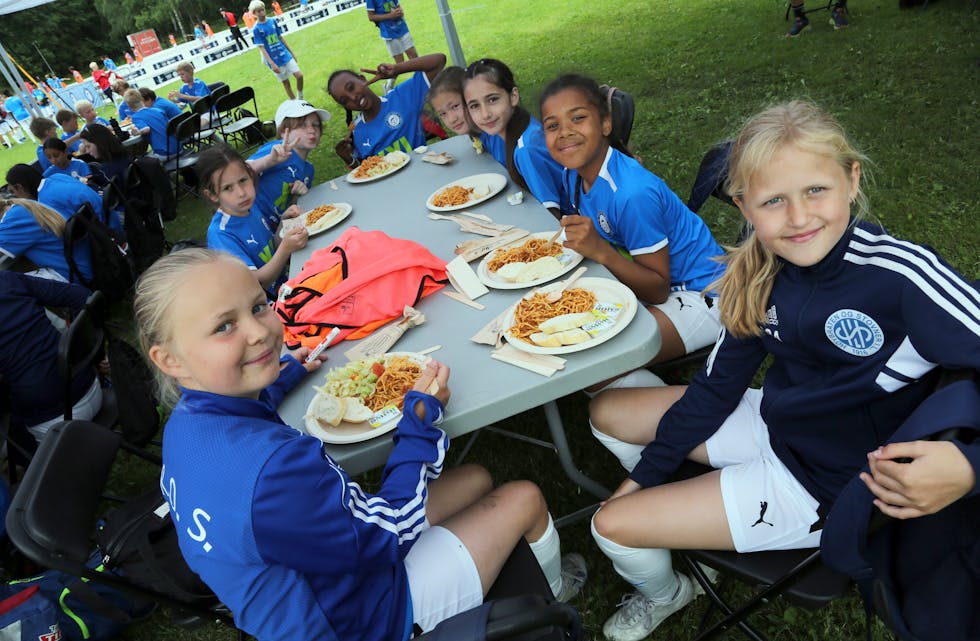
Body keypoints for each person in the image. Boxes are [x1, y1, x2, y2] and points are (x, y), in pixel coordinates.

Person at [585, 100, 980, 641]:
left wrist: (969, 466)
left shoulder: (900, 275)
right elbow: (716, 387)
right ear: (745, 206)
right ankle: (683, 499)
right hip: (781, 425)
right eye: (773, 201)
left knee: (608, 525)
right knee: (607, 411)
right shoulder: (758, 272)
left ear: (851, 179)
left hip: (832, 484)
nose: (798, 218)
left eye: (815, 190)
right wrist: (646, 475)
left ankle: (668, 592)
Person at [135, 247, 588, 641]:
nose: (258, 333)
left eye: (258, 306)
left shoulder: (185, 423)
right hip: (362, 620)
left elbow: (241, 411)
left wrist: (283, 371)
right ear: (169, 359)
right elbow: (390, 532)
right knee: (523, 497)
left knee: (475, 478)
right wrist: (420, 425)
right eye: (223, 327)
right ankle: (554, 595)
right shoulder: (275, 471)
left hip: (304, 597)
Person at [539, 74, 724, 366]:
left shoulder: (632, 195)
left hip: (703, 294)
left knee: (597, 361)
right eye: (552, 125)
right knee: (568, 330)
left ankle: (687, 405)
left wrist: (601, 251)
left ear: (605, 124)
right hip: (650, 284)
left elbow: (658, 289)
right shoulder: (572, 174)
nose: (564, 132)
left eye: (577, 118)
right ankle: (627, 393)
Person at [0, 272, 102, 443]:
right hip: (89, 384)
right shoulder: (7, 280)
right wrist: (86, 351)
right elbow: (82, 296)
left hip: (56, 425)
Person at [463, 58, 570, 219]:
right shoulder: (512, 128)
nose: (485, 114)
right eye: (475, 106)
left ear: (513, 96)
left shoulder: (526, 149)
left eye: (492, 99)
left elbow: (551, 215)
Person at [200, 144, 308, 297]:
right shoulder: (221, 234)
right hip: (270, 305)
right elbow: (257, 283)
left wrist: (284, 222)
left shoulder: (249, 208)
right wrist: (286, 248)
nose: (241, 193)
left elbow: (271, 249)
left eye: (243, 180)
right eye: (228, 188)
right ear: (212, 195)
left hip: (288, 284)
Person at [328, 52, 445, 165]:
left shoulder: (401, 97)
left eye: (351, 87)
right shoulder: (357, 132)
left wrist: (397, 69)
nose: (353, 97)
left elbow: (439, 60)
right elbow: (366, 171)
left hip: (424, 170)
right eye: (345, 101)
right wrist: (350, 160)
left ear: (362, 79)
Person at [2, 165, 94, 283]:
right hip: (91, 261)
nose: (14, 196)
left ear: (19, 187)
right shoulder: (53, 182)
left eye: (12, 191)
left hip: (75, 275)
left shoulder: (17, 214)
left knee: (9, 281)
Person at [247, 99, 329, 228]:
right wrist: (269, 160)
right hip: (252, 223)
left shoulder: (308, 170)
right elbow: (238, 172)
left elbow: (293, 213)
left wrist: (297, 197)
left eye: (316, 125)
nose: (312, 130)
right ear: (284, 132)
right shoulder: (276, 149)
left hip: (278, 231)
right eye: (302, 125)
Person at [249, 0, 304, 100]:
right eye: (259, 11)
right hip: (274, 60)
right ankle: (295, 103)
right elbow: (262, 48)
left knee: (299, 75)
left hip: (285, 54)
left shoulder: (272, 21)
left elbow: (280, 37)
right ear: (254, 14)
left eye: (263, 10)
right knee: (286, 83)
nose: (262, 13)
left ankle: (300, 98)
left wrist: (292, 53)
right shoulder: (256, 29)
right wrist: (272, 63)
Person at [366, 0, 418, 77]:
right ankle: (388, 85)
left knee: (414, 57)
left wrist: (400, 12)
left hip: (402, 28)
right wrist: (390, 15)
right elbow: (371, 17)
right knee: (399, 64)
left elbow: (398, 6)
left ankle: (422, 80)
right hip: (389, 34)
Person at [124, 89, 176, 158]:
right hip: (177, 146)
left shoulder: (136, 117)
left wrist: (138, 132)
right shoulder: (157, 110)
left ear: (129, 106)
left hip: (165, 153)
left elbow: (146, 129)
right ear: (142, 99)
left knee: (139, 160)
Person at [427, 66, 477, 138]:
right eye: (443, 114)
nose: (452, 119)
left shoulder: (493, 135)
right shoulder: (477, 134)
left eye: (455, 106)